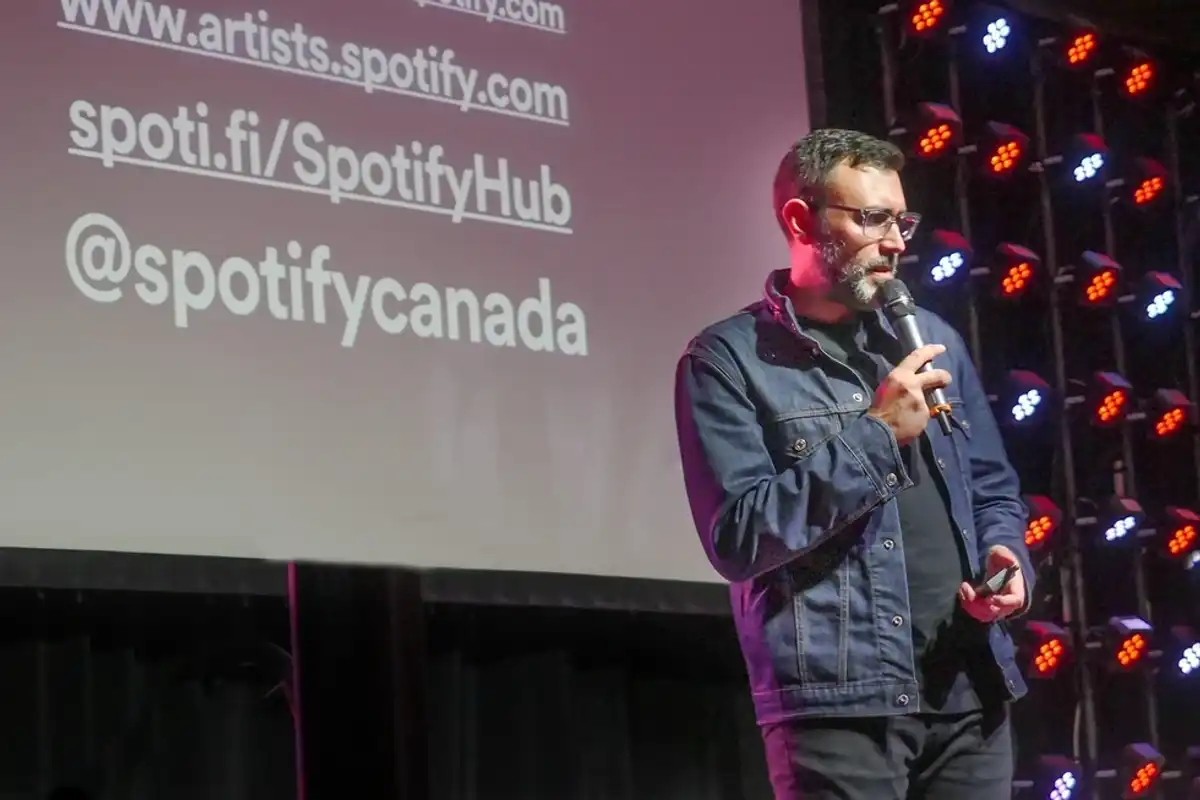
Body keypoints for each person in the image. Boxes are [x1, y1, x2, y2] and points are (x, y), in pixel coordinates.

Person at [673, 128, 1035, 799]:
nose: (897, 241)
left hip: (969, 687)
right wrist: (876, 433)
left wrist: (1006, 555)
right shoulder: (727, 361)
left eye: (902, 220)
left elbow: (990, 484)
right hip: (842, 703)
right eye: (872, 218)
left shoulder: (935, 338)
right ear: (801, 221)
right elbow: (738, 537)